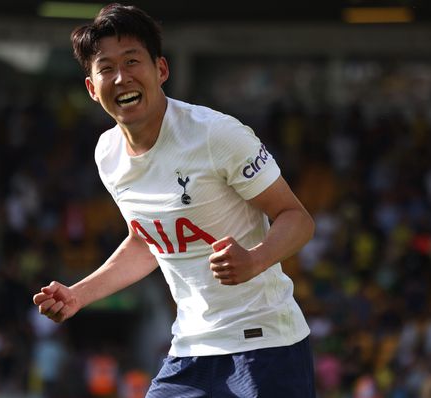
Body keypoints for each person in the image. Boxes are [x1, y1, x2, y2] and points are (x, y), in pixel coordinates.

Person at [32, 3, 316, 396]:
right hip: (191, 348)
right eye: (107, 68)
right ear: (91, 88)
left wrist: (254, 260)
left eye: (132, 61)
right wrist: (79, 294)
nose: (121, 77)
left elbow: (297, 218)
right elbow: (148, 240)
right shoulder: (107, 155)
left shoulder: (216, 135)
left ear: (161, 70)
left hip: (266, 345)